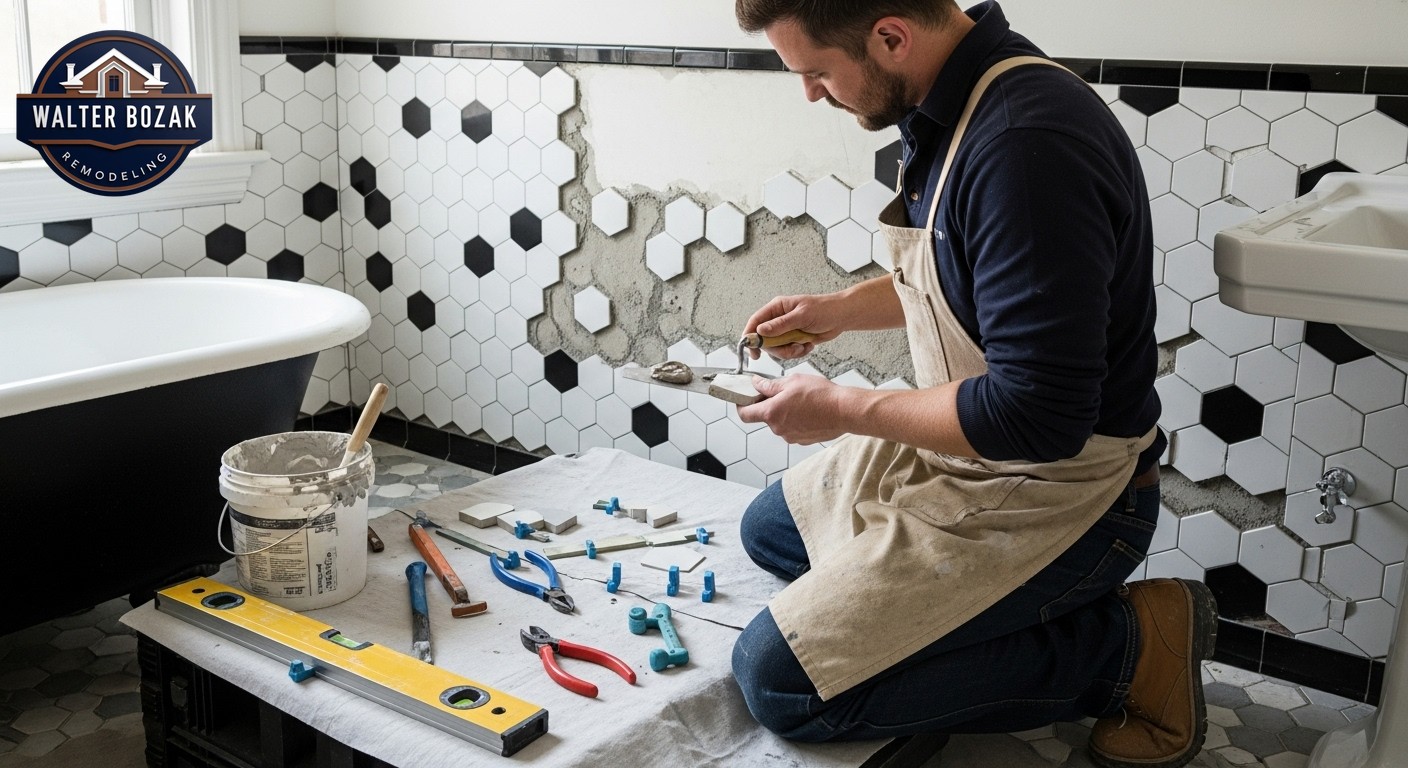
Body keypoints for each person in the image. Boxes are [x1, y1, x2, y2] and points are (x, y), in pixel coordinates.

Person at [727, 2, 1218, 768]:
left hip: (1059, 485)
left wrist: (841, 410)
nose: (812, 95)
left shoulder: (1025, 147)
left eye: (817, 72)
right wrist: (839, 312)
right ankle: (944, 609)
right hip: (971, 451)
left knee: (782, 682)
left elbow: (1039, 417)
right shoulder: (956, 101)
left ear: (891, 36)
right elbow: (972, 275)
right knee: (772, 529)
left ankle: (1124, 650)